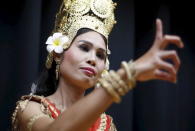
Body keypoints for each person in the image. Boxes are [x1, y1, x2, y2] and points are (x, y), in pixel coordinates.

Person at [11, 0, 184, 131]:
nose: (93, 59)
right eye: (84, 48)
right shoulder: (30, 108)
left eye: (100, 55)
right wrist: (128, 74)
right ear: (57, 53)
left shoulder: (106, 125)